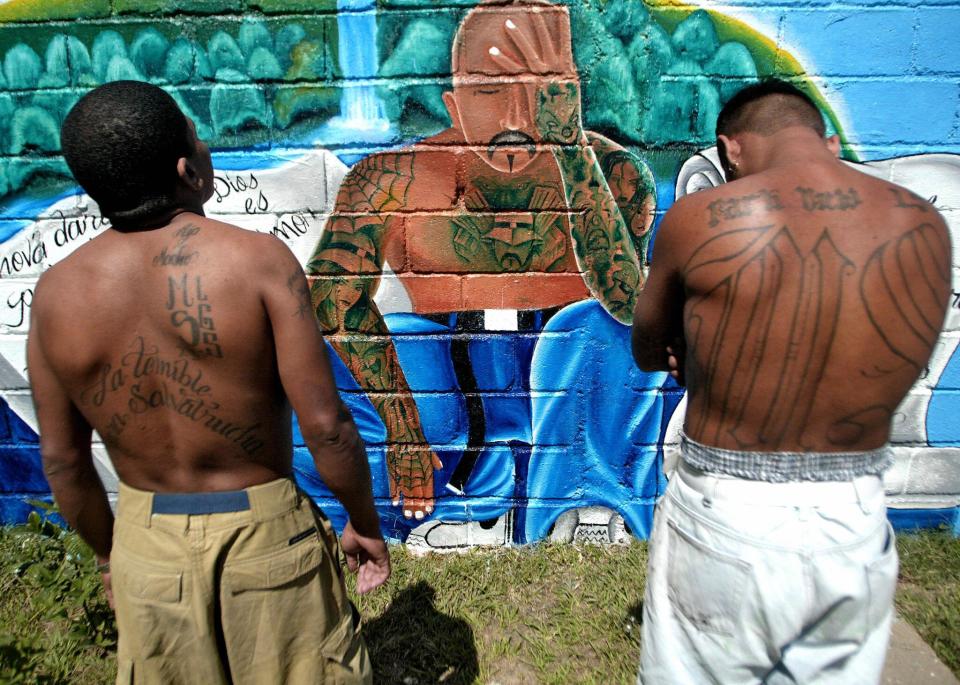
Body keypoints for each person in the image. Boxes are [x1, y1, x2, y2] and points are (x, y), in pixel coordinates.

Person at [28, 80, 388, 684]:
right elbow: (327, 428)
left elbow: (64, 462)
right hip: (264, 534)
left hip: (148, 540)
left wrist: (113, 555)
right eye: (198, 136)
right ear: (187, 170)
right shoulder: (258, 262)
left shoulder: (56, 295)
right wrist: (365, 524)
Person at [307, 0, 664, 541]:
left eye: (538, 94)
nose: (516, 120)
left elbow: (629, 304)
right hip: (449, 373)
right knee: (326, 358)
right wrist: (404, 429)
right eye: (492, 93)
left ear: (569, 96)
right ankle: (470, 508)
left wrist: (568, 145)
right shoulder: (392, 179)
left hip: (571, 379)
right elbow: (332, 300)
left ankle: (580, 508)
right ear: (454, 102)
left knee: (605, 329)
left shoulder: (612, 172)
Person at [632, 79, 950, 683]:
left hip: (728, 504)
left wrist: (702, 353)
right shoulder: (924, 224)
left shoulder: (701, 218)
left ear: (731, 149)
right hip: (854, 510)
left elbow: (648, 348)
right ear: (829, 142)